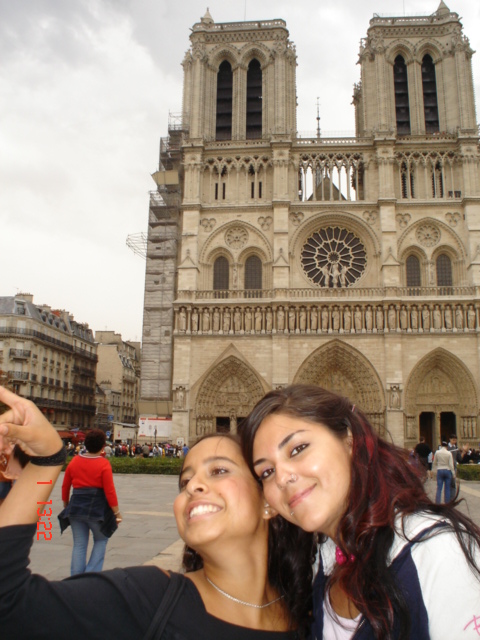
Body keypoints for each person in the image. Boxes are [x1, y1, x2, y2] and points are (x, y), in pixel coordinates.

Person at [0, 386, 313, 640]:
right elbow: (8, 604)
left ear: (267, 499)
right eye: (185, 482)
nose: (194, 486)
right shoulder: (149, 598)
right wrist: (46, 461)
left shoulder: (312, 618)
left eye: (219, 470)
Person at [241, 384, 480, 640]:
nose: (282, 478)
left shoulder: (437, 552)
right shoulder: (321, 562)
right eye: (267, 472)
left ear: (349, 440)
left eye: (298, 449)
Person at [61, 428, 121, 575]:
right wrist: (116, 512)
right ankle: (91, 575)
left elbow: (65, 486)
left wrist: (66, 504)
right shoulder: (103, 464)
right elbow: (110, 491)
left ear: (86, 444)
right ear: (102, 446)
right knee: (101, 540)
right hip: (96, 509)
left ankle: (76, 578)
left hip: (76, 507)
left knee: (79, 544)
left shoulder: (74, 461)